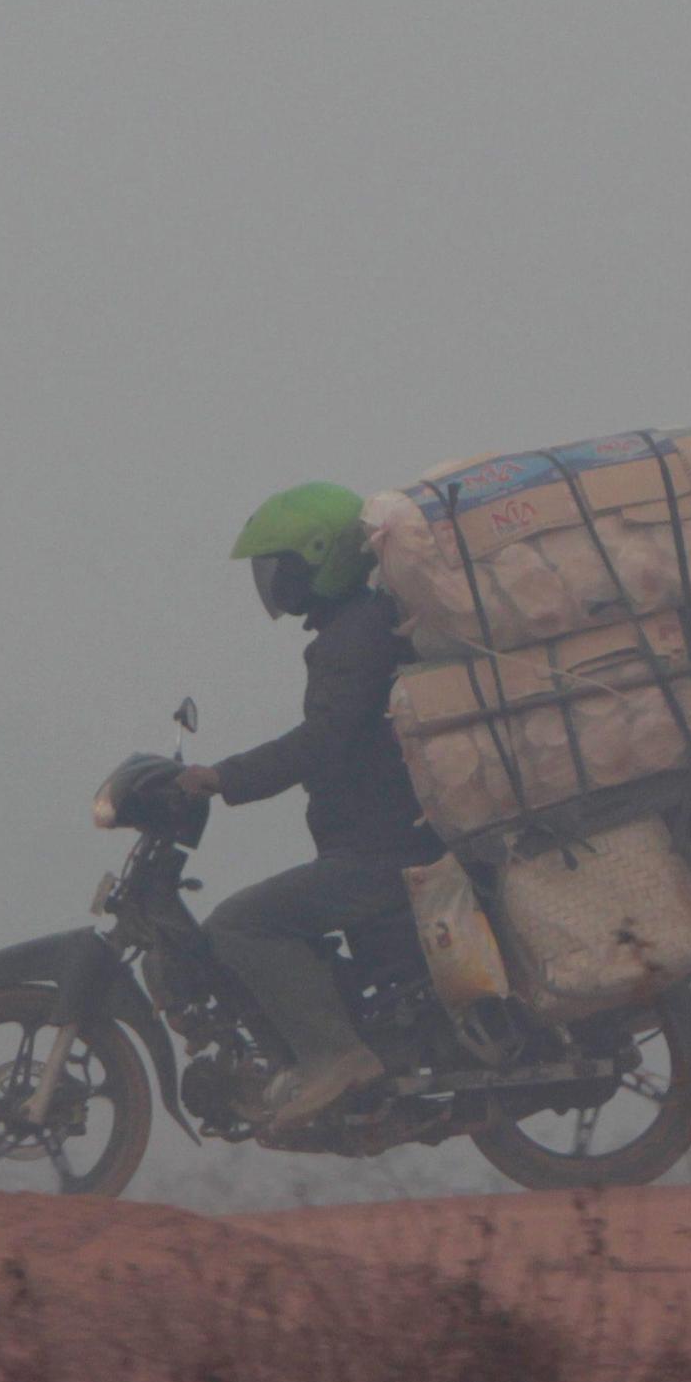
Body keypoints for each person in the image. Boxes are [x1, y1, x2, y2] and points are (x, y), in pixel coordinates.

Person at [174, 483, 438, 1130]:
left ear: (322, 558)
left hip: (380, 852)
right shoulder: (359, 628)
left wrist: (222, 777)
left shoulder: (356, 635)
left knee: (241, 924)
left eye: (283, 566)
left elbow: (321, 742)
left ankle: (336, 1056)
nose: (274, 583)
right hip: (376, 841)